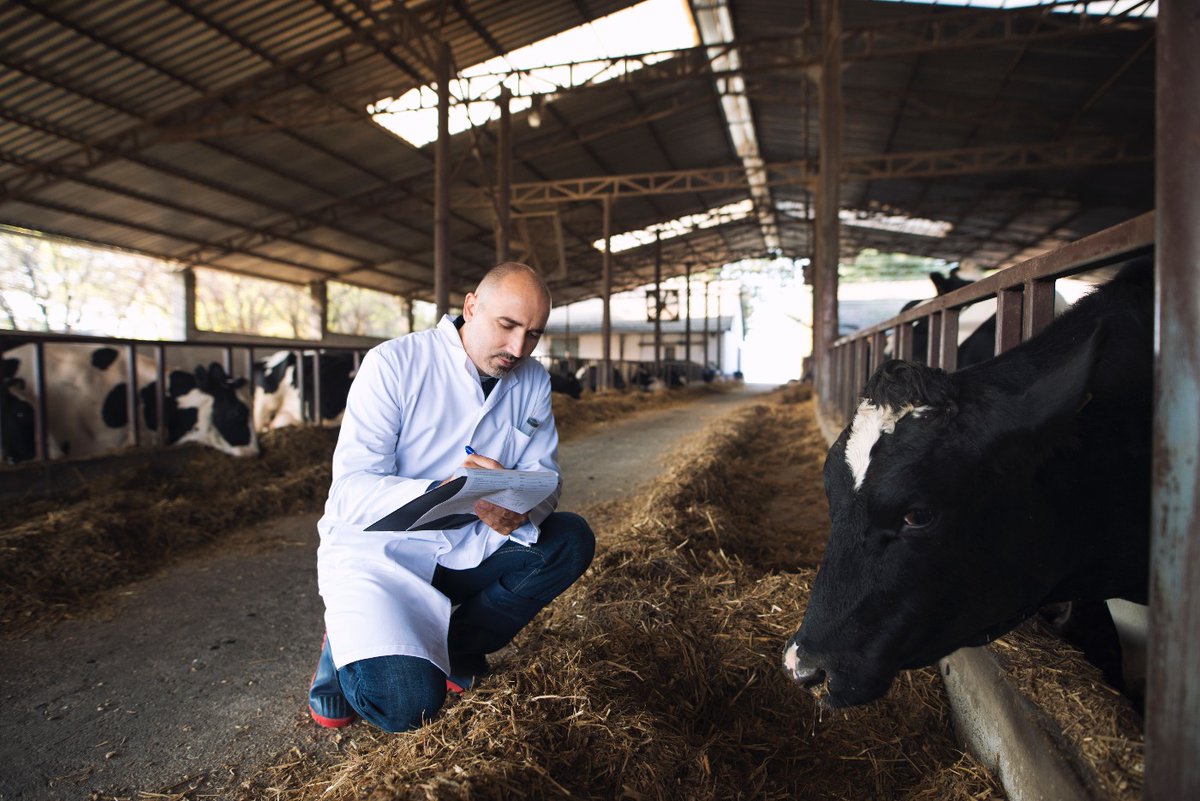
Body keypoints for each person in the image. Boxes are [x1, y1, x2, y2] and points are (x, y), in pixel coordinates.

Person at [307, 262, 595, 732]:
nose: (518, 348)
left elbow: (547, 477)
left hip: (469, 544)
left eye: (533, 334)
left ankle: (455, 648)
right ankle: (344, 641)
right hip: (384, 554)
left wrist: (518, 508)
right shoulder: (394, 364)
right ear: (471, 306)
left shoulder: (534, 381)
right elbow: (350, 491)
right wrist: (436, 491)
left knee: (569, 539)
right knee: (406, 706)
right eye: (507, 326)